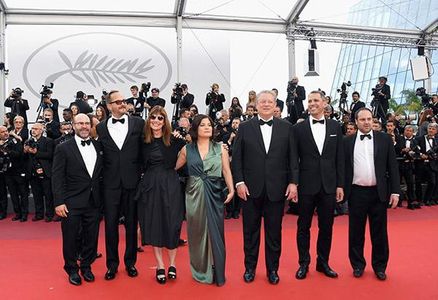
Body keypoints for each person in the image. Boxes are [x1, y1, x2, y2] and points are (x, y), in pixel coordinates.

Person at [232, 90, 297, 285]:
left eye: (270, 101)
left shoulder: (287, 127)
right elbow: (237, 159)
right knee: (250, 233)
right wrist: (239, 182)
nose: (266, 104)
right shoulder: (244, 127)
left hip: (277, 189)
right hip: (250, 189)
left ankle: (273, 270)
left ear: (276, 104)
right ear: (256, 104)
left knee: (274, 233)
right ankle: (250, 268)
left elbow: (293, 158)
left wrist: (294, 182)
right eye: (263, 101)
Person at [176, 114, 234, 286]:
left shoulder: (220, 148)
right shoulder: (187, 149)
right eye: (203, 125)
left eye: (209, 124)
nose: (207, 127)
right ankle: (201, 270)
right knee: (197, 232)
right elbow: (171, 167)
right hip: (193, 193)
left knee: (216, 232)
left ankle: (217, 268)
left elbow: (226, 170)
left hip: (215, 192)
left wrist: (231, 189)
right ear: (196, 128)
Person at [292, 90, 344, 280]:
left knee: (327, 226)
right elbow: (293, 159)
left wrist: (340, 185)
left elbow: (340, 158)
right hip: (306, 185)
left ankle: (323, 263)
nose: (312, 103)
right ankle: (303, 264)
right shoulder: (298, 129)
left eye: (316, 100)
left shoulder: (336, 127)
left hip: (329, 186)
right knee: (303, 226)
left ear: (324, 103)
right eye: (310, 100)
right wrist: (294, 184)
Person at [344, 107, 400, 281]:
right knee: (356, 232)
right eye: (362, 119)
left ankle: (380, 266)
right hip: (356, 193)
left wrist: (396, 191)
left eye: (369, 119)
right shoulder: (347, 142)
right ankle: (358, 265)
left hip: (378, 193)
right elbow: (343, 168)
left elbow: (393, 167)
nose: (367, 122)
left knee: (380, 233)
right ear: (356, 122)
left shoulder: (384, 139)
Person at [96, 90, 144, 280]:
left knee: (132, 225)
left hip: (132, 183)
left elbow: (145, 149)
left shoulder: (138, 123)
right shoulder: (100, 128)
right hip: (110, 184)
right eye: (118, 102)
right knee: (110, 227)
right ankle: (112, 265)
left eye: (124, 101)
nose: (122, 104)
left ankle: (130, 262)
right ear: (109, 106)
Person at [136, 106, 186, 284]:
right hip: (150, 186)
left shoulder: (175, 140)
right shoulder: (142, 142)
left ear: (165, 122)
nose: (156, 121)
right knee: (154, 223)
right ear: (149, 120)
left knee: (172, 224)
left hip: (170, 184)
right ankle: (160, 266)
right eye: (153, 118)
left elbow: (190, 153)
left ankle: (172, 264)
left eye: (160, 118)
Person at [52, 113, 103, 286]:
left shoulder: (97, 146)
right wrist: (59, 202)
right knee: (71, 237)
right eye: (80, 123)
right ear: (73, 125)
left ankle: (87, 266)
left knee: (92, 237)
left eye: (87, 123)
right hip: (71, 202)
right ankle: (72, 269)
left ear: (91, 126)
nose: (84, 126)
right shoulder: (63, 148)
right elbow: (57, 177)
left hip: (94, 201)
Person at [24, 122, 56, 222]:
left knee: (48, 195)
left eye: (36, 129)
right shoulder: (27, 141)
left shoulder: (48, 141)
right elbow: (24, 158)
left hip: (45, 171)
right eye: (32, 128)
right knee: (37, 195)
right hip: (32, 172)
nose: (33, 130)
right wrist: (25, 152)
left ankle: (49, 214)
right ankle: (39, 214)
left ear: (41, 130)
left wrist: (36, 153)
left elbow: (50, 155)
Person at [1, 125, 27, 221]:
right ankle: (18, 213)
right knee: (13, 194)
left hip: (18, 171)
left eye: (6, 131)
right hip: (7, 172)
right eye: (2, 132)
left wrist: (7, 151)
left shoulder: (14, 141)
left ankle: (24, 213)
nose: (6, 133)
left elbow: (19, 154)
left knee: (23, 193)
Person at [395, 125, 419, 209]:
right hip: (399, 164)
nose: (408, 132)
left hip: (409, 165)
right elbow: (395, 149)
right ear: (404, 131)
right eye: (406, 130)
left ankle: (411, 202)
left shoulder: (415, 141)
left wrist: (412, 153)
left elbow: (418, 152)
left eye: (410, 131)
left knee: (410, 184)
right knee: (397, 183)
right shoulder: (399, 139)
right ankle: (398, 201)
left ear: (412, 132)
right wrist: (402, 150)